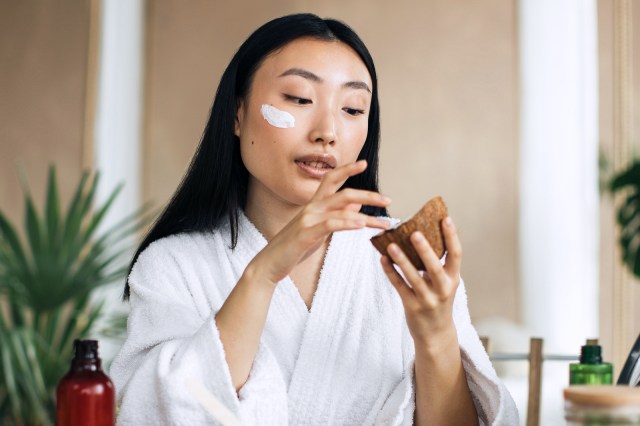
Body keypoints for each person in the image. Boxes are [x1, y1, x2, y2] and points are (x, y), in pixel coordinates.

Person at [110, 13, 518, 425]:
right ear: (236, 114)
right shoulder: (173, 266)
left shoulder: (403, 263)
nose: (328, 131)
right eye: (300, 99)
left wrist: (435, 335)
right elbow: (155, 412)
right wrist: (265, 271)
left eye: (353, 108)